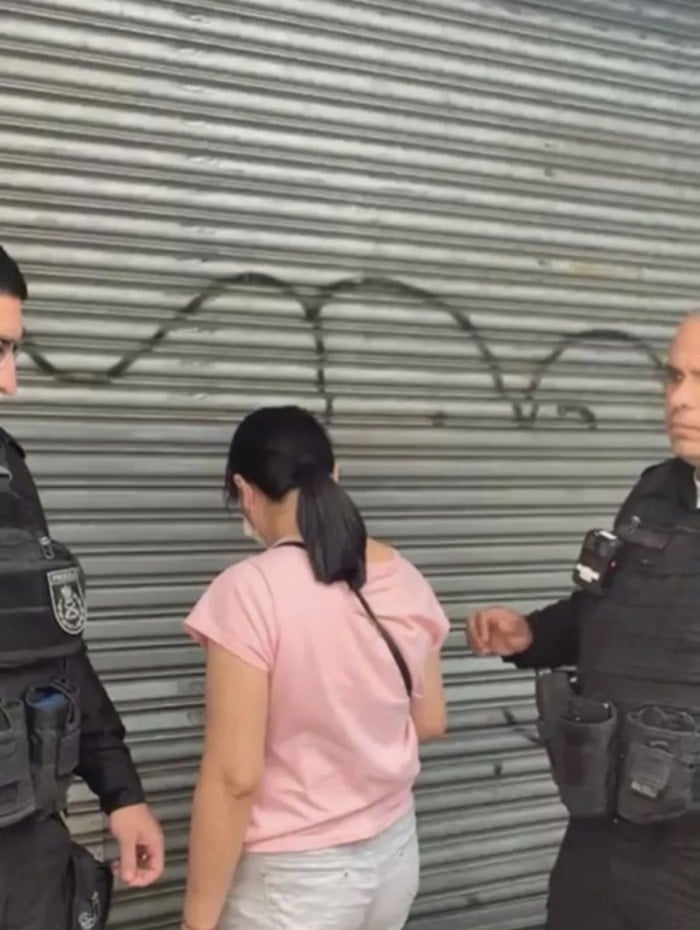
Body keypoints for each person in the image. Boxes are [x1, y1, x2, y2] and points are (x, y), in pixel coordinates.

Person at [466, 314, 700, 929]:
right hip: (601, 834)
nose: (680, 398)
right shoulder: (654, 492)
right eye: (674, 376)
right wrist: (530, 634)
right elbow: (606, 613)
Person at [180, 405, 449, 930]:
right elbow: (432, 721)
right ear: (336, 474)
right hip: (393, 858)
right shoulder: (405, 576)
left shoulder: (250, 592)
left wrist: (196, 921)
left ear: (246, 490)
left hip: (294, 886)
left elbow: (234, 778)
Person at [0, 246, 164, 930]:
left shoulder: (5, 473)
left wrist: (119, 790)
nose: (8, 383)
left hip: (22, 849)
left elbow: (56, 647)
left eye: (12, 351)